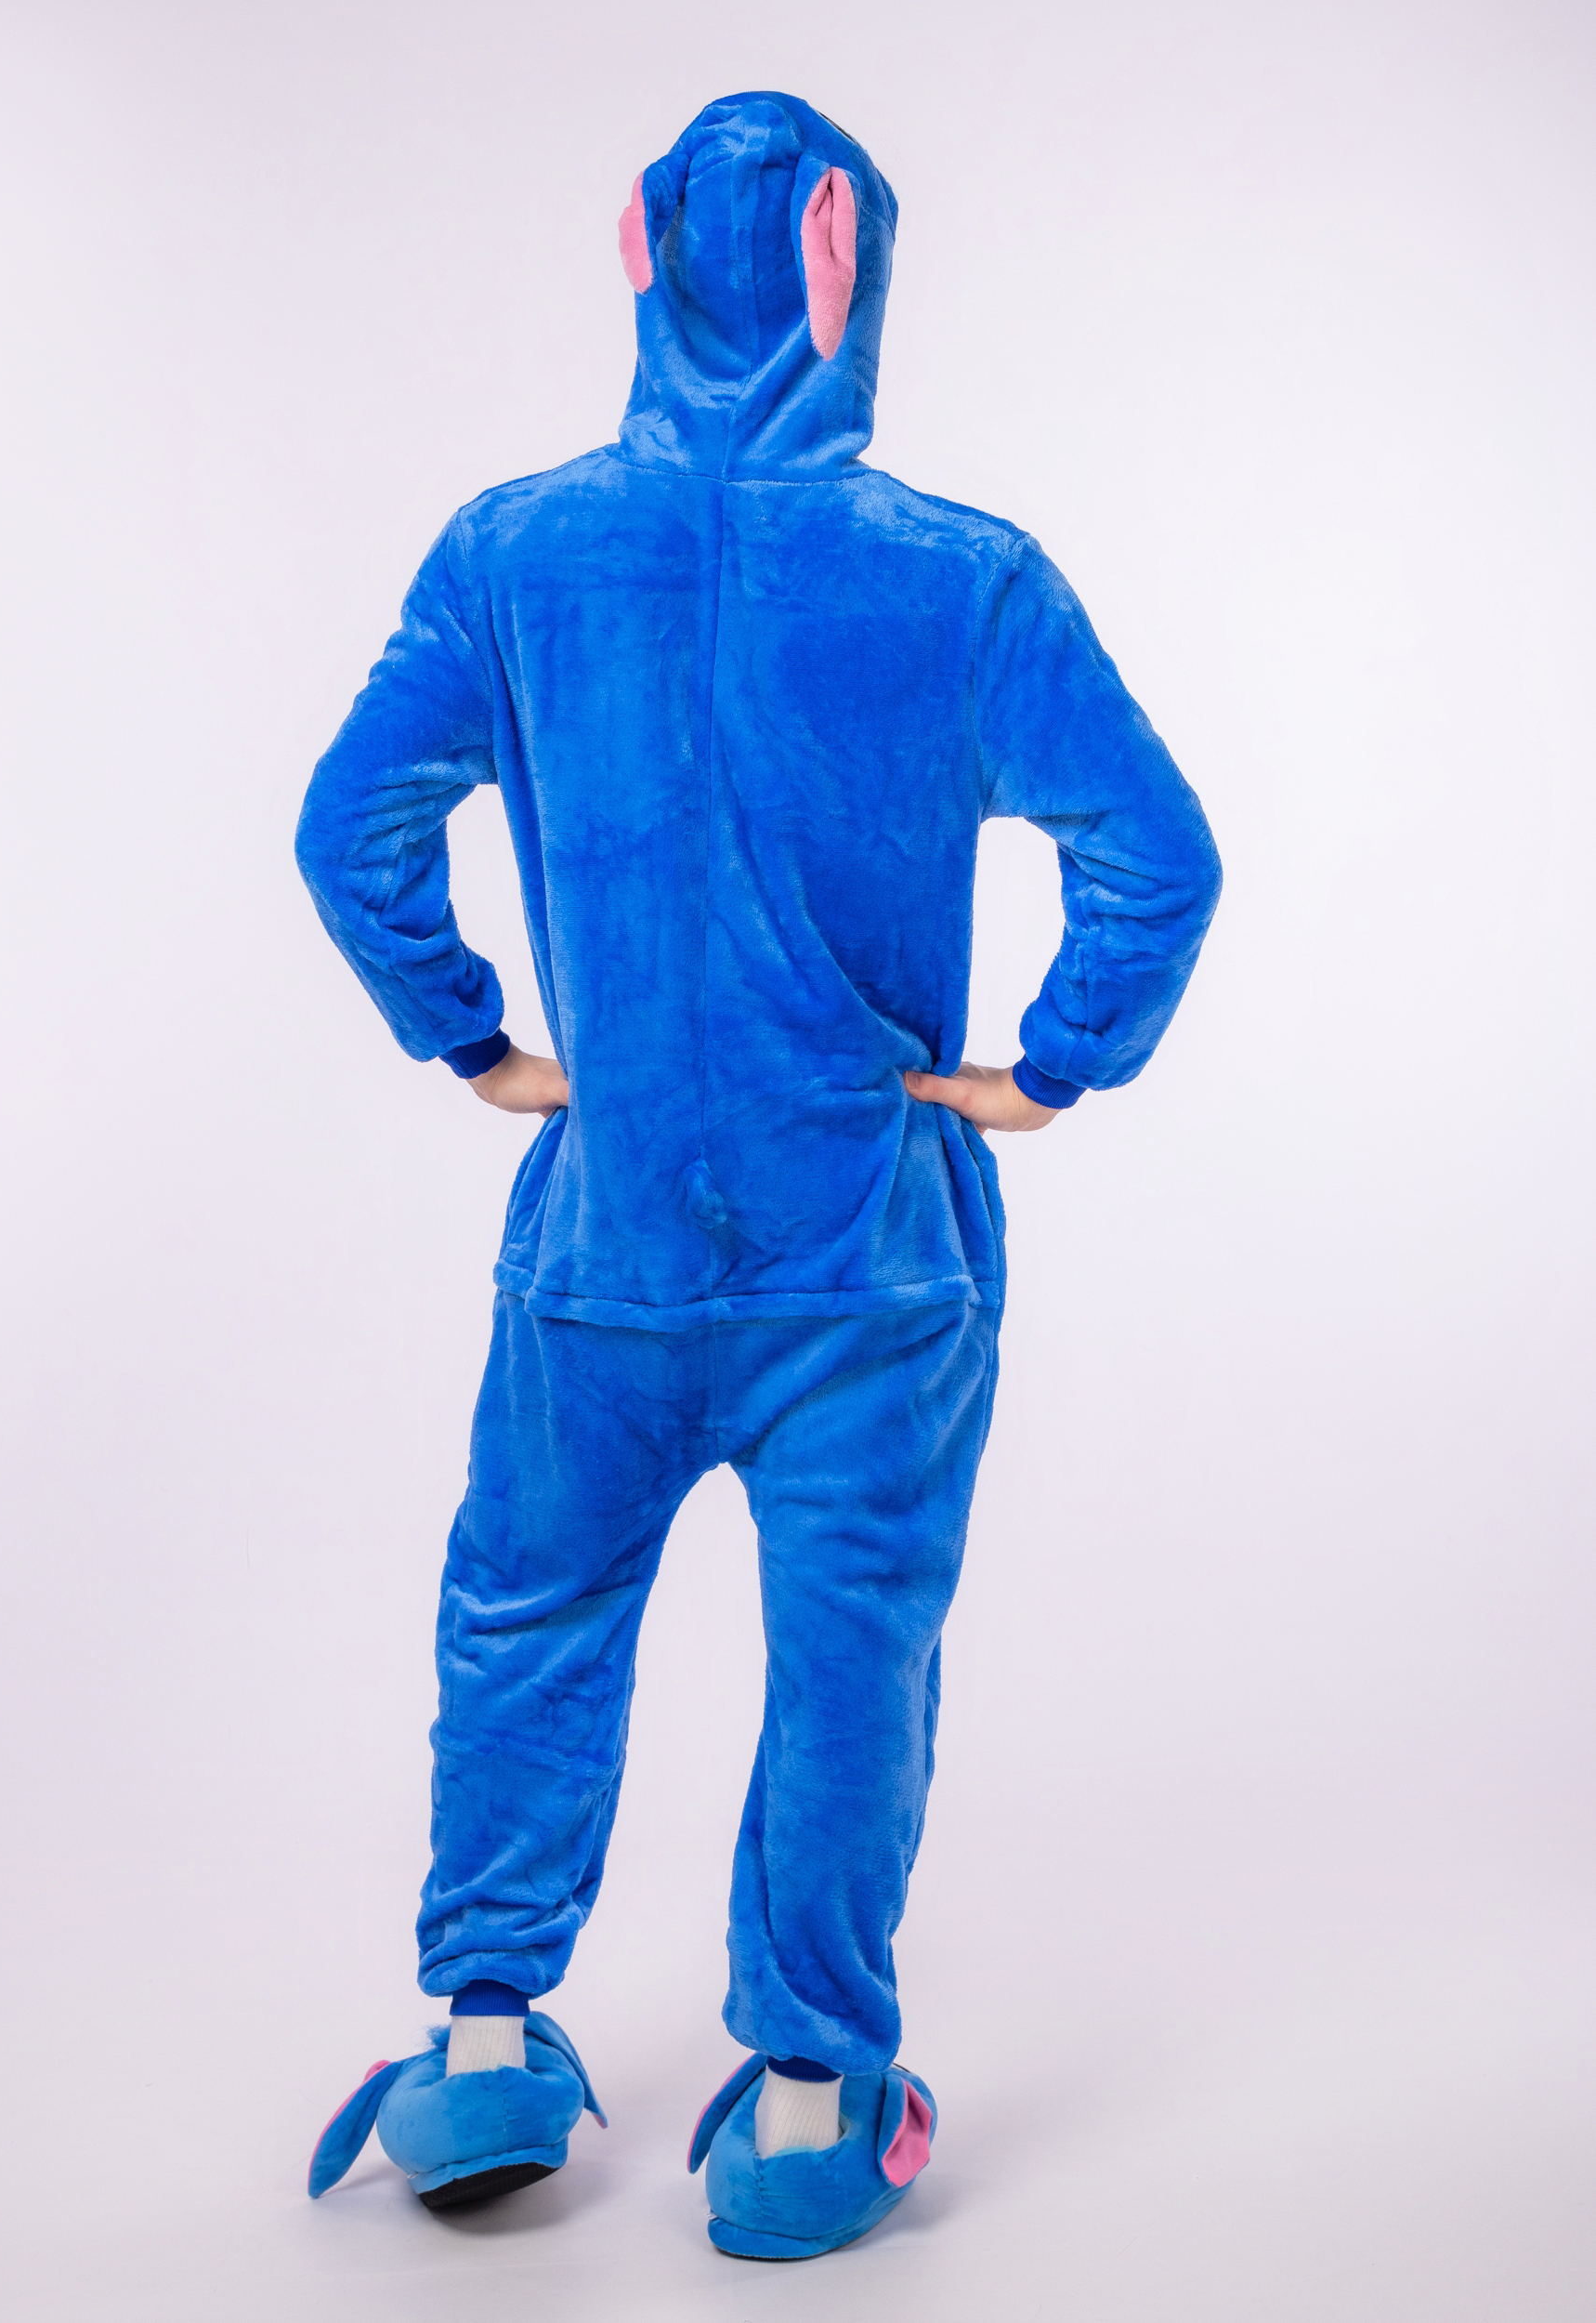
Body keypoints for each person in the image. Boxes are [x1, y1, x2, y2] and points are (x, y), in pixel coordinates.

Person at [299, 90, 1221, 2261]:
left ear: (636, 261)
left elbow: (350, 825)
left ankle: (483, 2041)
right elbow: (1157, 857)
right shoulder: (960, 575)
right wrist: (1045, 1070)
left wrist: (475, 1040)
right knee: (847, 1663)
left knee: (527, 1613)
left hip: (606, 1244)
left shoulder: (510, 553)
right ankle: (808, 2095)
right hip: (869, 1259)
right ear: (844, 270)